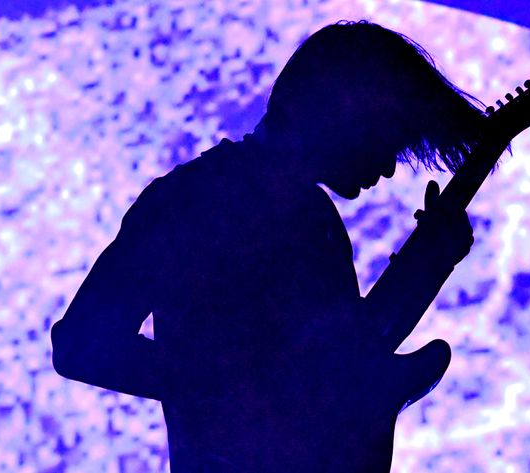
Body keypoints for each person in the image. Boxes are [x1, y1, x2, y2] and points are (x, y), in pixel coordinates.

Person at [52, 20, 491, 472]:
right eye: (385, 142)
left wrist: (432, 261)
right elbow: (80, 345)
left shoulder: (313, 217)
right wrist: (233, 384)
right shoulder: (189, 200)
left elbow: (344, 359)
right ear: (345, 117)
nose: (388, 168)